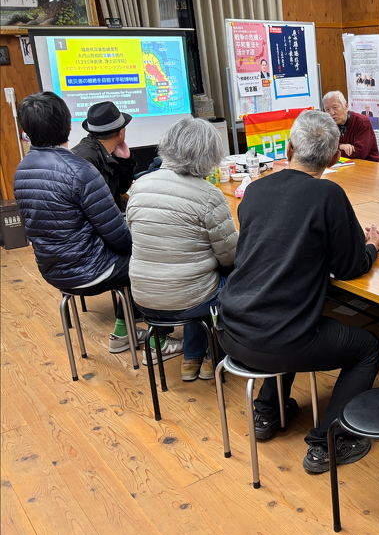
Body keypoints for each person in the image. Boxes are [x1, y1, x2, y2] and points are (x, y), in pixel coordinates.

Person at [217, 109, 379, 473]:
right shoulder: (329, 195)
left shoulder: (256, 190)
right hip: (280, 339)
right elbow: (349, 266)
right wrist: (370, 246)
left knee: (281, 315)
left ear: (289, 149)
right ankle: (330, 441)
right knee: (368, 347)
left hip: (231, 329)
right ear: (335, 157)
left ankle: (267, 413)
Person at [13, 92, 177, 355]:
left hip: (52, 270)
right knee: (152, 259)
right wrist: (146, 247)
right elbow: (117, 235)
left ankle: (124, 332)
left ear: (27, 131)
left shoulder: (22, 169)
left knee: (136, 256)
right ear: (68, 126)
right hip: (89, 269)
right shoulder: (79, 169)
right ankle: (158, 342)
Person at [126, 118, 238, 381]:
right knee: (228, 280)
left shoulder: (139, 187)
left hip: (144, 298)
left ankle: (191, 357)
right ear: (210, 154)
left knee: (194, 278)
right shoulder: (209, 195)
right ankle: (215, 356)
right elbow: (230, 256)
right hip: (189, 300)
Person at [71, 101, 136, 212]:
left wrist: (125, 160)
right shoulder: (87, 158)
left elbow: (121, 189)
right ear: (120, 133)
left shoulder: (108, 151)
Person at [322, 90, 379, 161]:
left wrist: (333, 151)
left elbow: (360, 153)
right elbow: (323, 147)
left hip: (367, 164)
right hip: (342, 164)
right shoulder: (328, 124)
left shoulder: (362, 122)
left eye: (335, 107)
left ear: (345, 106)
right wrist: (340, 146)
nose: (332, 113)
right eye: (327, 110)